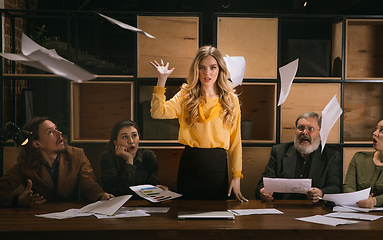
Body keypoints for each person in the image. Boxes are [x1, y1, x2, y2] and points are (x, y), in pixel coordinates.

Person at [150, 45, 247, 202]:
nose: (207, 73)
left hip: (218, 167)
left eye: (212, 67)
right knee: (187, 217)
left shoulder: (231, 100)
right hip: (191, 165)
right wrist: (162, 80)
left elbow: (235, 142)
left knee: (216, 217)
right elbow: (157, 112)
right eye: (202, 67)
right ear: (196, 70)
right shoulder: (185, 95)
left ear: (220, 69)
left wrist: (236, 177)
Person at [0, 117, 113, 207]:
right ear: (37, 144)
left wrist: (101, 195)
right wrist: (18, 200)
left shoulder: (76, 155)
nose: (59, 133)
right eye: (50, 132)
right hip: (37, 219)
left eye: (56, 128)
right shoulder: (24, 165)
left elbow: (89, 185)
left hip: (72, 217)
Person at [256, 112, 342, 203]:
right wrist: (263, 192)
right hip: (282, 208)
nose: (304, 132)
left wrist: (321, 193)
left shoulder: (331, 156)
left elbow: (336, 188)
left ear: (321, 134)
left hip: (314, 210)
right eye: (301, 128)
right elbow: (262, 185)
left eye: (310, 129)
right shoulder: (279, 152)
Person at [100, 119, 167, 198]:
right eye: (125, 137)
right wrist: (129, 161)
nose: (131, 141)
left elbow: (152, 188)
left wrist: (157, 189)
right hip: (117, 206)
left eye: (134, 135)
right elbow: (119, 193)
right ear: (116, 143)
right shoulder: (107, 157)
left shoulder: (148, 156)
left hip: (144, 206)